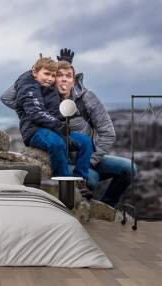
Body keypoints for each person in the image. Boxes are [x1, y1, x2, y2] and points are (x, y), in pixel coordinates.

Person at [55, 58, 137, 207]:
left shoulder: (87, 98)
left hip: (89, 157)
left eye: (68, 76)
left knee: (129, 168)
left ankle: (106, 208)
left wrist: (91, 160)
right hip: (63, 161)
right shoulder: (46, 101)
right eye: (59, 75)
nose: (64, 79)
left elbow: (108, 132)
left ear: (74, 80)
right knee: (91, 179)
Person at [13, 56, 93, 196]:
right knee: (57, 144)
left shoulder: (48, 87)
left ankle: (80, 181)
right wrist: (58, 125)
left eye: (53, 75)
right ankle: (64, 185)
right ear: (34, 72)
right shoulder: (28, 88)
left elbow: (70, 84)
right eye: (46, 74)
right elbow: (36, 113)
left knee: (85, 142)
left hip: (52, 128)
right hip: (34, 131)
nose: (50, 78)